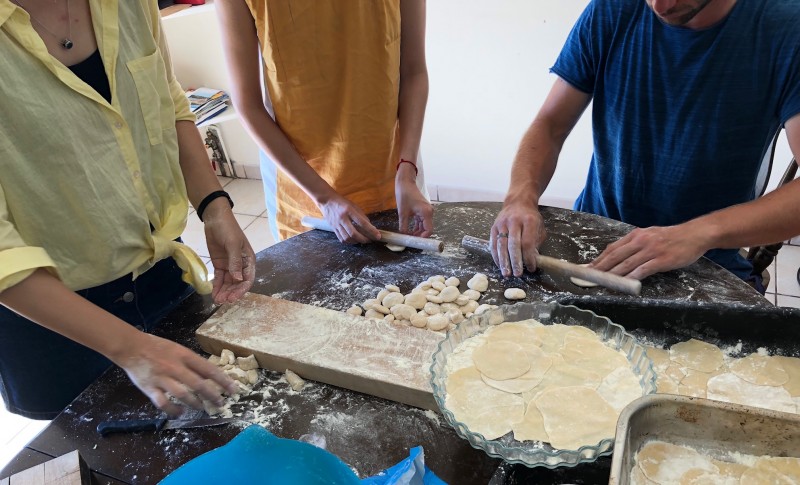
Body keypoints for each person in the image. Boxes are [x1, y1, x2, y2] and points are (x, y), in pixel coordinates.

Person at [0, 0, 256, 419]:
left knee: (208, 433)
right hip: (50, 319)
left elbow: (168, 102)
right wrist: (130, 347)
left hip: (160, 273)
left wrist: (214, 205)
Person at [491, 0, 800, 291]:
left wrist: (701, 233)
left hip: (706, 262)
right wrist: (520, 198)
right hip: (594, 239)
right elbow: (551, 124)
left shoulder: (786, 26)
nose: (661, 7)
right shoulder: (613, 9)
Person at [216, 0, 434, 244]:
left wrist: (407, 171)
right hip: (305, 192)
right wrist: (325, 198)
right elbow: (248, 105)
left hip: (394, 179)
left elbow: (414, 72)